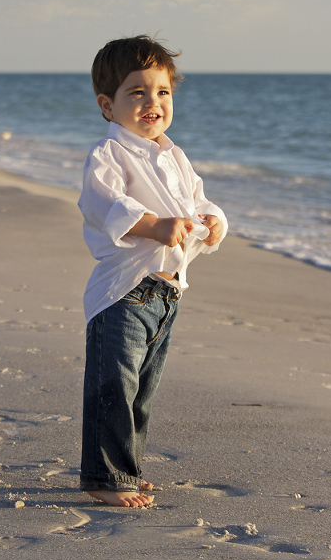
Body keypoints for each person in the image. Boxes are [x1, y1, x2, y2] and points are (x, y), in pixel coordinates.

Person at [78, 35, 228, 507]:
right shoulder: (110, 155)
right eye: (136, 92)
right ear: (108, 105)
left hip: (166, 295)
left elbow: (197, 201)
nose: (152, 102)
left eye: (162, 92)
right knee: (114, 387)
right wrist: (155, 224)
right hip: (123, 292)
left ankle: (127, 468)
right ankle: (105, 478)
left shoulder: (175, 156)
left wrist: (213, 222)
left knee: (141, 390)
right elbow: (104, 204)